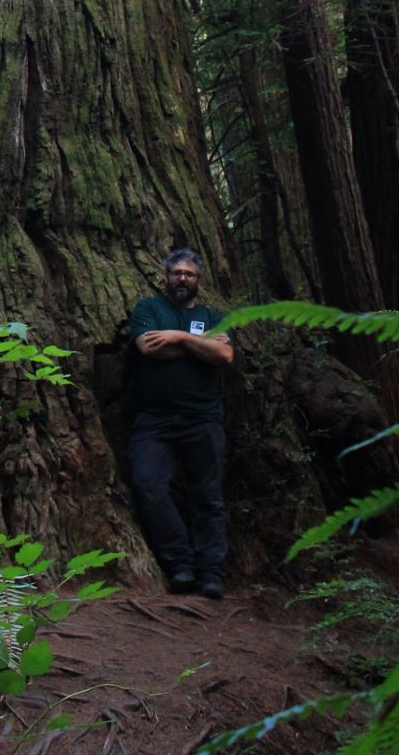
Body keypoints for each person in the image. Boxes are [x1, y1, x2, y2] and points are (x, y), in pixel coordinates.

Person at [127, 247, 233, 599]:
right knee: (149, 486)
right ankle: (180, 564)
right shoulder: (148, 309)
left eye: (189, 274)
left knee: (208, 496)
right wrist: (200, 347)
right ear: (166, 277)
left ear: (199, 280)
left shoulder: (211, 315)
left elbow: (224, 354)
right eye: (176, 273)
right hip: (154, 421)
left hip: (203, 419)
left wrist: (179, 337)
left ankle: (211, 572)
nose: (182, 279)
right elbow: (148, 348)